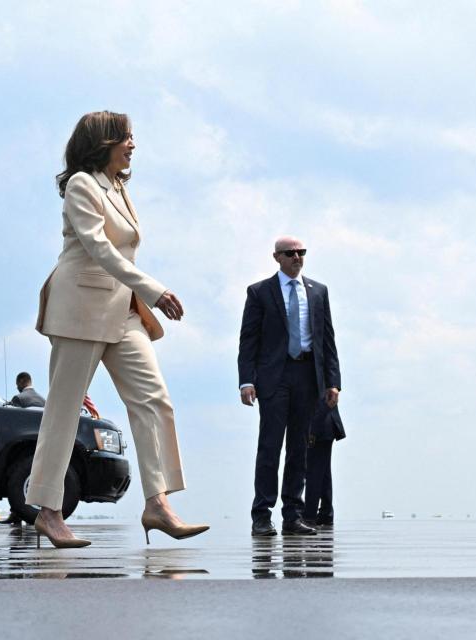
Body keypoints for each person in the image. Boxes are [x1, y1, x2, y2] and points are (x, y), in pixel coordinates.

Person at [27, 110, 208, 548]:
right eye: (125, 137)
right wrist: (154, 291)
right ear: (103, 141)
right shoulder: (81, 185)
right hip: (80, 307)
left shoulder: (119, 187)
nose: (132, 144)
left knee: (154, 398)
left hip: (121, 309)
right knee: (64, 412)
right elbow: (99, 247)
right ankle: (48, 512)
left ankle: (157, 503)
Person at [238, 237, 341, 537]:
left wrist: (333, 382)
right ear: (276, 257)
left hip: (308, 376)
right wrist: (247, 380)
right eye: (290, 253)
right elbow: (249, 339)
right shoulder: (259, 292)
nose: (297, 257)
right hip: (274, 376)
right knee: (270, 446)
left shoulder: (318, 292)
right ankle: (261, 515)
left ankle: (293, 515)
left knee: (300, 449)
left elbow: (327, 340)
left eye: (301, 252)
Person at [303, 397, 345, 528]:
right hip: (326, 425)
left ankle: (309, 515)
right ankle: (326, 512)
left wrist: (312, 430)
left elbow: (320, 400)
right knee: (323, 471)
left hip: (320, 425)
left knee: (313, 472)